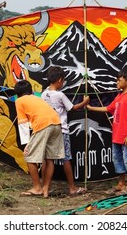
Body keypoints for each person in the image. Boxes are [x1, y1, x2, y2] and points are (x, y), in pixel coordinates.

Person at [87, 70, 127, 194]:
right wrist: (90, 108)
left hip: (126, 135)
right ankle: (121, 183)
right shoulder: (119, 96)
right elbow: (108, 108)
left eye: (119, 80)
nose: (117, 82)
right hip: (117, 135)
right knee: (117, 158)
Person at [41, 66, 90, 196]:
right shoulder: (60, 95)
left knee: (47, 159)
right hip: (61, 129)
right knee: (66, 158)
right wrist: (85, 102)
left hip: (47, 129)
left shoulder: (44, 94)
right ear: (59, 80)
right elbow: (73, 108)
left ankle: (45, 187)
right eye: (63, 81)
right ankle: (72, 188)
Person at [14, 80, 64, 198]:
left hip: (43, 125)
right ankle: (45, 189)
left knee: (29, 156)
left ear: (17, 93)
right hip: (56, 123)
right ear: (30, 90)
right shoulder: (37, 98)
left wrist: (27, 144)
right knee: (49, 158)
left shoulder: (19, 101)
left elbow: (22, 123)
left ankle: (37, 188)